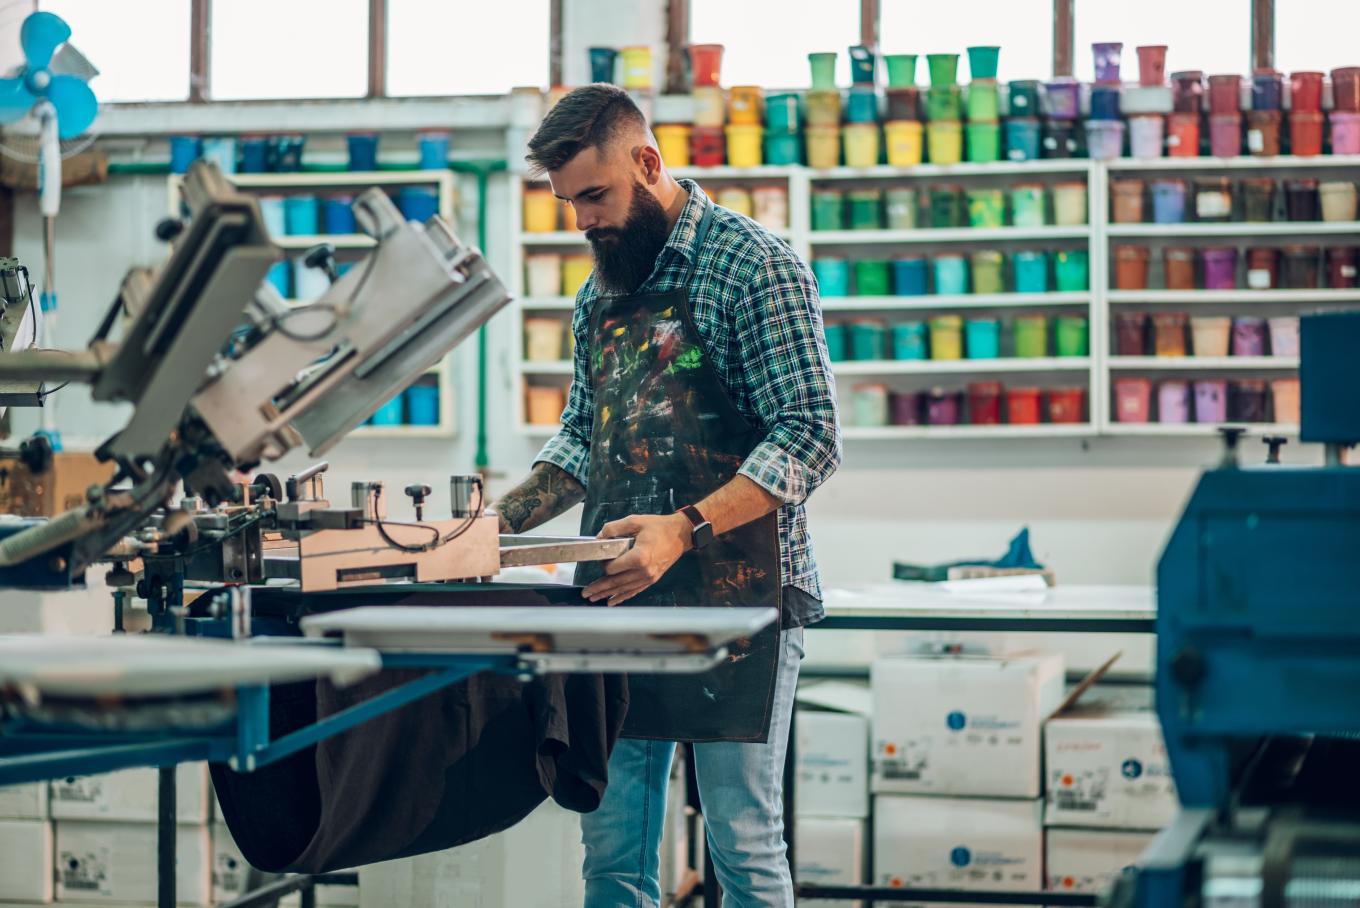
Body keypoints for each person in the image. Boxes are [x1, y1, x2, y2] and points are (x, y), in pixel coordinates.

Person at [494, 83, 841, 908]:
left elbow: (811, 435)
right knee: (612, 857)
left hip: (743, 603)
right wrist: (485, 528)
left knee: (744, 850)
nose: (580, 221)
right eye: (566, 202)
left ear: (647, 163)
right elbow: (583, 438)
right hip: (619, 600)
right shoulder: (599, 294)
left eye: (593, 196)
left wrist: (683, 528)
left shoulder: (754, 265)